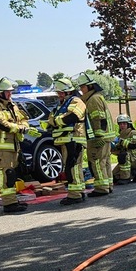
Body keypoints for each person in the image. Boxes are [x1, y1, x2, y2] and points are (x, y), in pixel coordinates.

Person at [0, 77, 40, 213]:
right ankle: (9, 204)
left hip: (12, 147)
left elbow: (24, 118)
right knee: (6, 175)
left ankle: (12, 200)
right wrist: (20, 128)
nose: (10, 94)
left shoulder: (11, 104)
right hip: (1, 149)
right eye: (7, 92)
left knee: (11, 175)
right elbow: (1, 124)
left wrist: (24, 126)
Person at [46, 77, 88, 205]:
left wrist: (57, 120)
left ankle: (74, 195)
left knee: (72, 166)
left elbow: (73, 116)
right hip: (66, 140)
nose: (59, 95)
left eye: (61, 93)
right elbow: (50, 120)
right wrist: (55, 120)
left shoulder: (76, 101)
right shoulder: (61, 105)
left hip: (74, 139)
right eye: (58, 93)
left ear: (68, 92)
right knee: (74, 167)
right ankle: (79, 192)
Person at [74, 72, 116, 197]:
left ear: (89, 86)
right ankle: (108, 185)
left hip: (98, 137)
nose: (81, 90)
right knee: (105, 161)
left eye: (82, 87)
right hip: (105, 136)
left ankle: (101, 188)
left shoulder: (93, 99)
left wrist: (98, 136)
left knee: (97, 161)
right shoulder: (97, 97)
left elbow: (98, 119)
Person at [111, 114, 136, 184]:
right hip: (128, 158)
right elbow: (119, 149)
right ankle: (135, 173)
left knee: (123, 155)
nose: (122, 125)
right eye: (120, 124)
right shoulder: (120, 135)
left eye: (124, 123)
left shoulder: (135, 133)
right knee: (113, 177)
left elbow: (133, 145)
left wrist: (120, 141)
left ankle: (126, 178)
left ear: (128, 124)